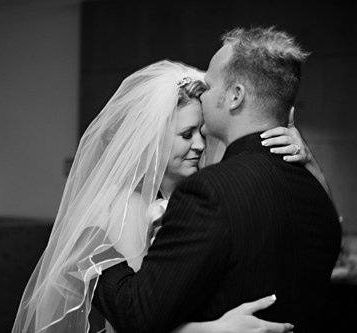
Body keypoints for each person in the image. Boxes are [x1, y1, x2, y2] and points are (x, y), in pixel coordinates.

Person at [13, 56, 320, 332]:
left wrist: (307, 159)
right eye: (186, 135)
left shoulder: (214, 196)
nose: (200, 145)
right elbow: (136, 318)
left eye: (202, 133)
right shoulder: (122, 210)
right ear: (154, 139)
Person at [91, 27, 342, 333]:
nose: (204, 92)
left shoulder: (210, 192)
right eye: (186, 134)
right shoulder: (317, 193)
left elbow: (139, 313)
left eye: (209, 85)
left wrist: (95, 257)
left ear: (235, 96)